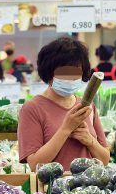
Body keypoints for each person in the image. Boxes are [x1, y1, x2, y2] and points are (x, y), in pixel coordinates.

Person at [18, 37, 109, 171]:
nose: (71, 78)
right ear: (49, 71)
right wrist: (66, 129)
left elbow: (105, 160)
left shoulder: (87, 106)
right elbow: (35, 165)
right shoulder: (32, 108)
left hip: (88, 188)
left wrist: (89, 140)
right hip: (53, 189)